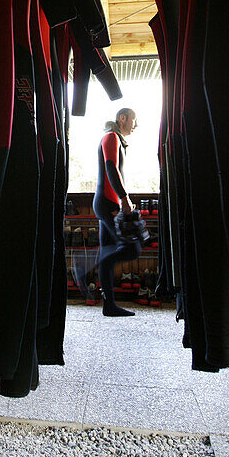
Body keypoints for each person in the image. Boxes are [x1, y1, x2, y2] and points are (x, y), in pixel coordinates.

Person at [93, 107, 140, 317]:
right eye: (133, 120)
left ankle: (109, 306)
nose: (135, 125)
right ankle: (84, 265)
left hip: (106, 203)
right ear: (122, 118)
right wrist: (124, 198)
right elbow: (111, 167)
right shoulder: (111, 137)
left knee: (108, 252)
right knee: (133, 248)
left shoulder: (117, 139)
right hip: (108, 203)